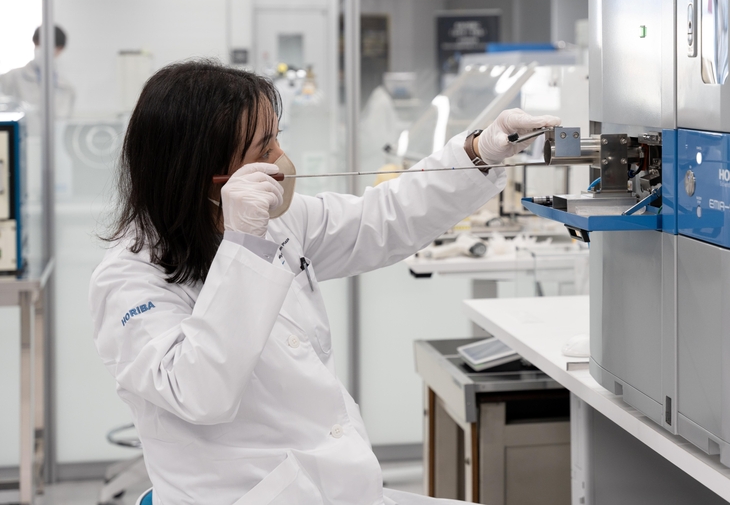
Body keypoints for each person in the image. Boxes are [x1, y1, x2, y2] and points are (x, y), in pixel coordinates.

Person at [89, 60, 560, 505]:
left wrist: (478, 152)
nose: (282, 158)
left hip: (331, 486)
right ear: (208, 176)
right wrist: (244, 247)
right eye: (264, 149)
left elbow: (383, 218)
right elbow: (200, 391)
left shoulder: (281, 223)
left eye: (277, 138)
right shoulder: (129, 280)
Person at [0, 25, 76, 118]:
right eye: (39, 44)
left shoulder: (67, 88)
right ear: (34, 42)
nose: (43, 49)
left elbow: (65, 120)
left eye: (51, 46)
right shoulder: (11, 77)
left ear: (60, 49)